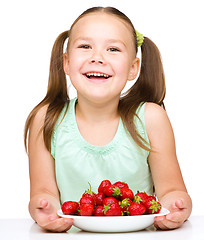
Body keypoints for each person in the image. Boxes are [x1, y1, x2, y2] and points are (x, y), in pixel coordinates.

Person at [24, 6, 192, 232]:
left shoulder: (151, 118)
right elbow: (43, 193)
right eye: (85, 46)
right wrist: (43, 208)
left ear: (133, 68)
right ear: (66, 62)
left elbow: (172, 190)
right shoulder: (46, 119)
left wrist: (176, 206)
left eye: (113, 49)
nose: (97, 58)